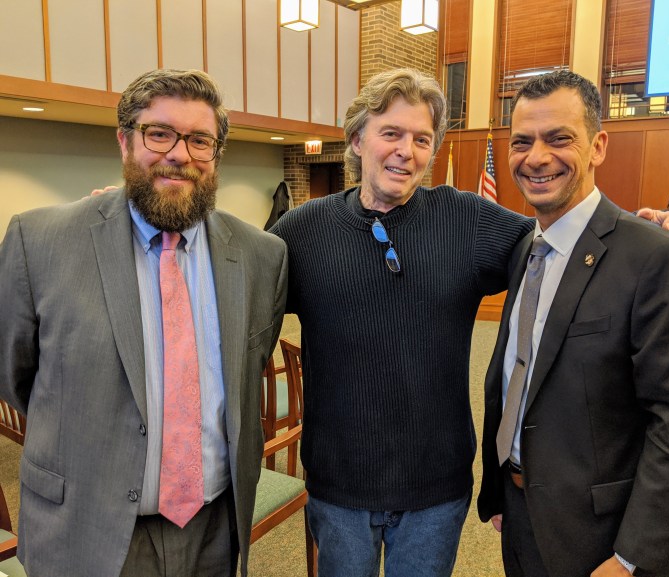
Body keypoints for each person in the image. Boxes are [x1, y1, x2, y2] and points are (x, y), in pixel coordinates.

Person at [0, 69, 288, 577]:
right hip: (84, 526)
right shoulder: (39, 242)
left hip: (213, 529)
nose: (179, 153)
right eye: (159, 132)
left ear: (216, 153)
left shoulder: (263, 256)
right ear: (125, 141)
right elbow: (16, 377)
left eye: (200, 139)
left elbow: (248, 373)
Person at [270, 68, 535, 576]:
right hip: (339, 483)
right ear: (356, 140)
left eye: (421, 139)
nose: (405, 151)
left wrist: (636, 230)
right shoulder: (302, 231)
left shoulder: (467, 220)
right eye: (391, 133)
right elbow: (232, 285)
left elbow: (559, 246)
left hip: (435, 486)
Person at [477, 70, 669, 577]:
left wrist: (632, 559)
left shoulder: (655, 257)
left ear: (598, 146)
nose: (536, 157)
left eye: (559, 138)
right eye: (522, 141)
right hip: (521, 517)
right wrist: (501, 488)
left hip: (605, 543)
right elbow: (519, 375)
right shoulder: (524, 249)